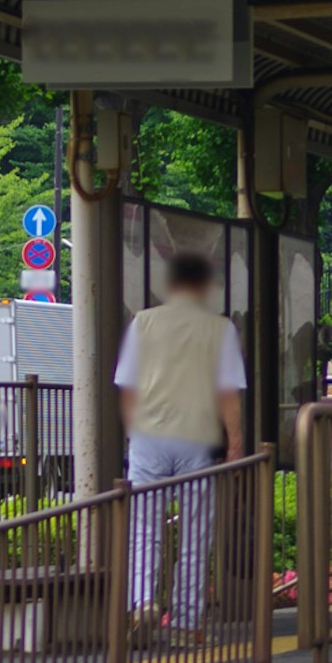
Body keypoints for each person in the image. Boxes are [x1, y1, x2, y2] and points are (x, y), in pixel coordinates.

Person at [115, 243, 245, 625]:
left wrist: (134, 435)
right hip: (196, 439)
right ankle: (187, 622)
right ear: (204, 286)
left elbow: (127, 386)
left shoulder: (144, 322)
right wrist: (235, 447)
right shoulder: (219, 328)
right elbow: (227, 394)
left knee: (143, 528)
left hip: (149, 437)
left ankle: (141, 605)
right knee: (194, 535)